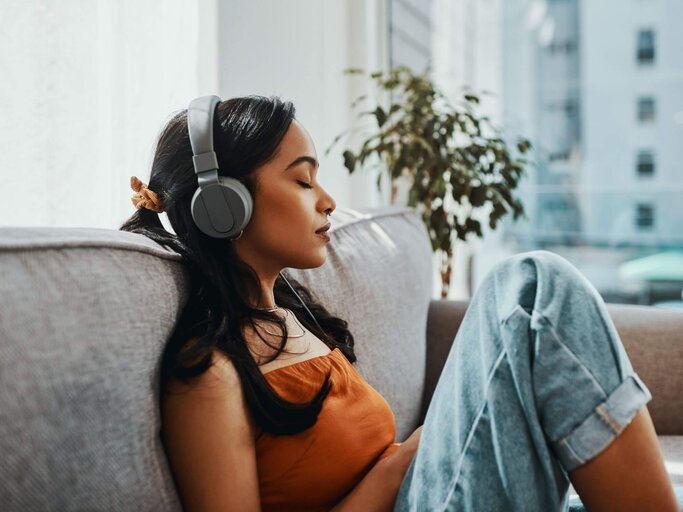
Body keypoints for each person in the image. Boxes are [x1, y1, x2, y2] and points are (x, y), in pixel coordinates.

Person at [119, 95, 680, 511]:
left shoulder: (296, 320)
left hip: (425, 489)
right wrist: (390, 472)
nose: (329, 200)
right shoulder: (209, 376)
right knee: (530, 289)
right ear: (224, 206)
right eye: (304, 181)